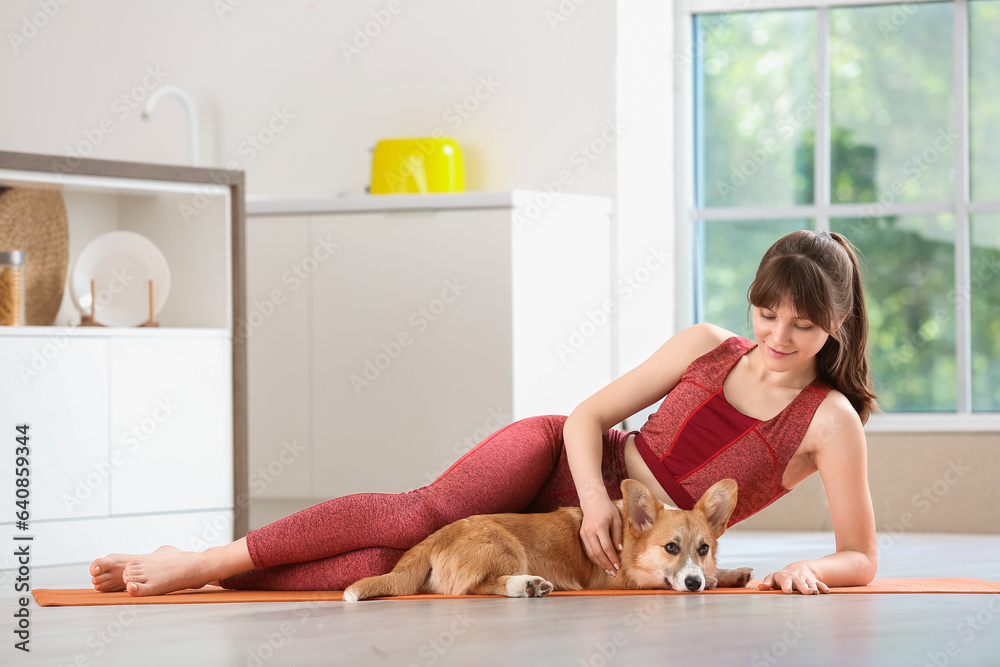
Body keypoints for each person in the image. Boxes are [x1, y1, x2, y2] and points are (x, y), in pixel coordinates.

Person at [90, 229, 878, 597]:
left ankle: (224, 581)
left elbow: (861, 556)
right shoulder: (709, 343)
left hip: (636, 543)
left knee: (393, 573)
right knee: (419, 516)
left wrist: (811, 569)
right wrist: (596, 501)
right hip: (571, 467)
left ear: (835, 325)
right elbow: (585, 415)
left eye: (801, 326)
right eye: (767, 314)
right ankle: (202, 563)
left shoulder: (828, 422)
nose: (777, 336)